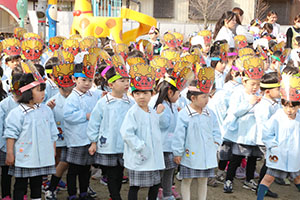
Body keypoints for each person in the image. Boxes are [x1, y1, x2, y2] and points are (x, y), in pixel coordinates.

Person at [4, 72, 58, 200]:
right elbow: (11, 134)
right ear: (28, 92)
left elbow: (53, 132)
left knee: (37, 184)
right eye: (39, 90)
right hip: (24, 155)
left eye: (44, 90)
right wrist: (10, 153)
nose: (43, 94)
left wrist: (53, 150)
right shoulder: (17, 113)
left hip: (40, 156)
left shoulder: (46, 110)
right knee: (20, 184)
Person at [172, 66, 221, 200]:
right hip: (190, 153)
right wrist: (177, 152)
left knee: (203, 180)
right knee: (187, 180)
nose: (207, 100)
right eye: (203, 97)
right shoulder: (184, 114)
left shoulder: (210, 113)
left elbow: (216, 129)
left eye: (208, 96)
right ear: (193, 98)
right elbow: (179, 134)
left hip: (207, 153)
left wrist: (216, 142)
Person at [87, 65, 133, 200]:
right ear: (111, 84)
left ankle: (115, 195)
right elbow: (94, 122)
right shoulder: (103, 103)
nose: (126, 83)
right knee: (112, 173)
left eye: (127, 80)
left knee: (120, 173)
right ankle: (115, 196)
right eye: (122, 80)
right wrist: (93, 142)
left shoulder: (130, 102)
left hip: (124, 144)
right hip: (109, 143)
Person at [120, 63, 165, 200]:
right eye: (137, 93)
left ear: (151, 94)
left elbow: (154, 126)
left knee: (155, 184)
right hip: (140, 154)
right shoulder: (132, 112)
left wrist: (159, 114)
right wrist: (140, 146)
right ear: (132, 95)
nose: (141, 97)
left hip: (153, 155)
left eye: (145, 93)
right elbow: (126, 133)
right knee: (135, 186)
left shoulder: (151, 111)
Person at [223, 56, 264, 193]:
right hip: (242, 132)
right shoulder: (238, 92)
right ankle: (229, 179)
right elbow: (235, 111)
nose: (255, 87)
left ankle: (249, 179)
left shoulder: (258, 93)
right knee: (237, 157)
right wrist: (249, 103)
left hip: (254, 131)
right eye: (252, 84)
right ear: (245, 81)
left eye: (257, 84)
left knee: (253, 158)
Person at [63, 57, 102, 200]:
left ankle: (84, 192)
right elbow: (67, 115)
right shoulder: (72, 98)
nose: (87, 84)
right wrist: (85, 115)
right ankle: (72, 194)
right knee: (73, 169)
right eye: (83, 80)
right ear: (75, 79)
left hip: (89, 138)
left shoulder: (93, 94)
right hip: (76, 138)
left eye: (90, 80)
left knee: (86, 168)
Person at [257, 73, 300, 200]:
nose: (289, 110)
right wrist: (273, 146)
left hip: (294, 154)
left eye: (293, 107)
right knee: (269, 177)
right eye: (285, 105)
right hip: (278, 153)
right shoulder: (277, 116)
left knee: (297, 177)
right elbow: (266, 132)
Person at [44, 62, 76, 199]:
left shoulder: (80, 97)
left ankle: (80, 188)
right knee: (62, 162)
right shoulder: (53, 101)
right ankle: (51, 187)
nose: (67, 89)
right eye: (64, 87)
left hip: (78, 136)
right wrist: (48, 109)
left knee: (77, 165)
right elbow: (44, 118)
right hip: (61, 137)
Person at [153, 76, 180, 200]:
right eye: (178, 93)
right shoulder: (162, 106)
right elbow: (163, 125)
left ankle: (167, 194)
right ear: (170, 92)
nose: (179, 96)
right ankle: (157, 194)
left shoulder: (172, 105)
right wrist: (160, 114)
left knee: (169, 172)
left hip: (170, 145)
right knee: (160, 172)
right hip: (162, 146)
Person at [254, 72, 281, 198]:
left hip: (272, 138)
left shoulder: (274, 103)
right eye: (278, 89)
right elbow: (265, 126)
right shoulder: (264, 106)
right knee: (269, 164)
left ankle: (263, 187)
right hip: (265, 140)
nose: (280, 91)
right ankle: (262, 187)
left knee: (269, 164)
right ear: (268, 91)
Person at [0, 73, 23, 200]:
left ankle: (22, 194)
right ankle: (6, 195)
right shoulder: (4, 104)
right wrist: (2, 145)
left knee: (22, 173)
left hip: (23, 145)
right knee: (6, 172)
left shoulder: (28, 104)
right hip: (6, 145)